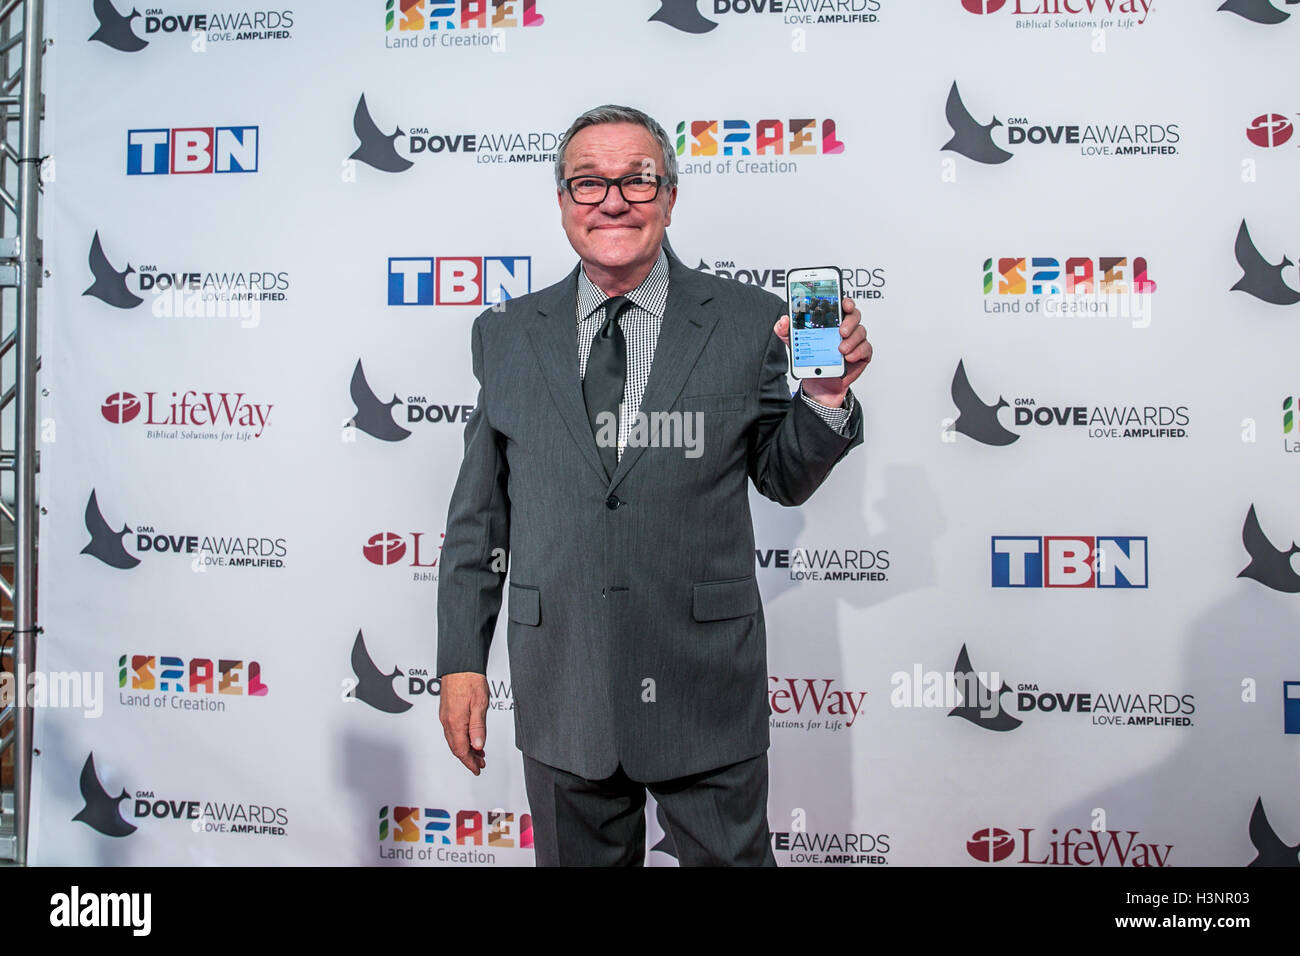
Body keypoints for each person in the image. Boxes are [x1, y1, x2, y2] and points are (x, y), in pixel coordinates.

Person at [436, 105, 872, 866]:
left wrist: (826, 398)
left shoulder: (747, 322)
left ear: (670, 196)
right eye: (588, 183)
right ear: (563, 201)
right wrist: (461, 661)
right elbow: (480, 519)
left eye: (637, 181)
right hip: (562, 686)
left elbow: (783, 478)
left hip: (703, 686)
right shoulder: (504, 334)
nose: (613, 200)